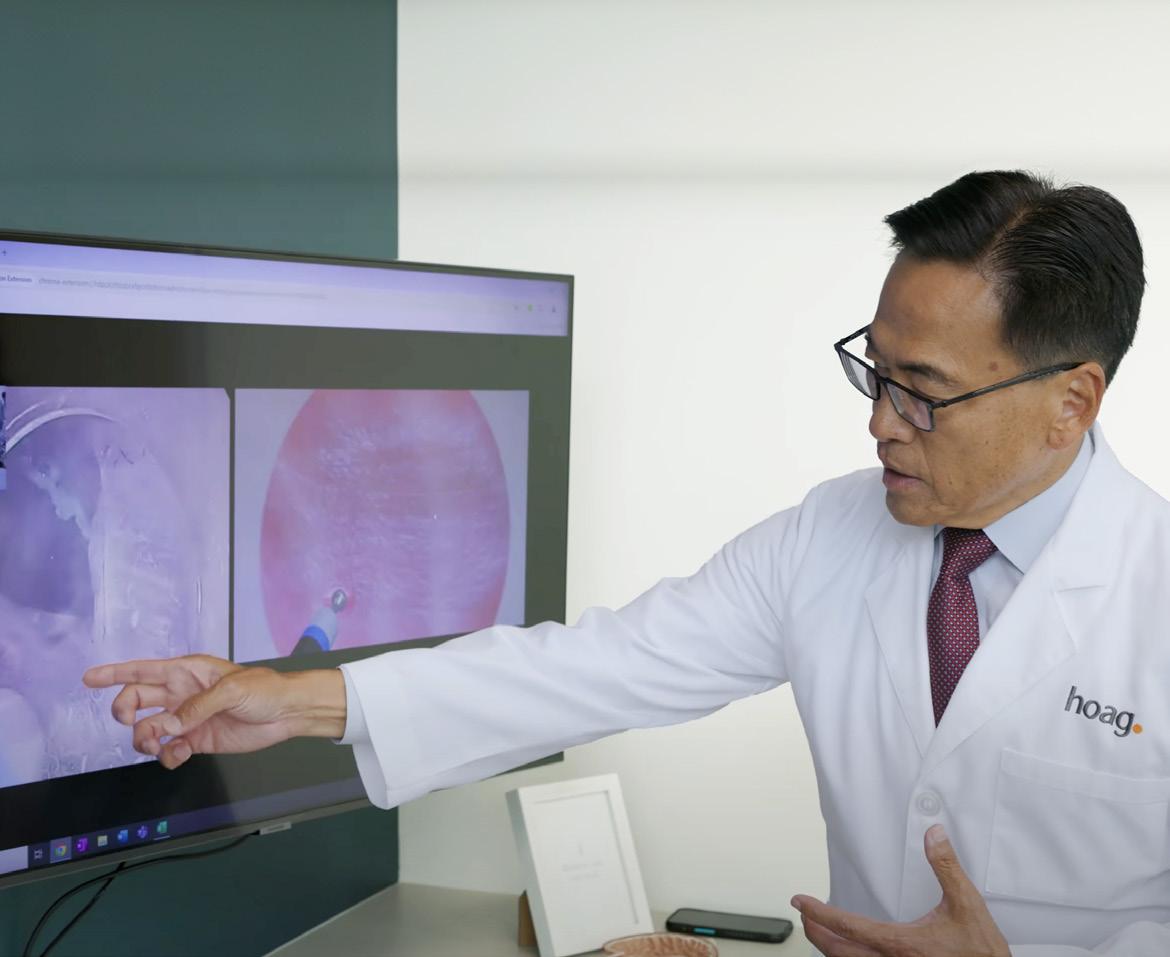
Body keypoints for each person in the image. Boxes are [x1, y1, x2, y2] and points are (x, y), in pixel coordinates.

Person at [84, 170, 1169, 957]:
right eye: (873, 373)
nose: (881, 422)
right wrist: (297, 700)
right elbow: (592, 667)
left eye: (922, 392)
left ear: (1070, 402)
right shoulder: (831, 535)